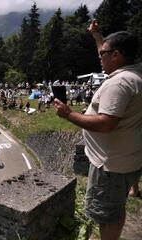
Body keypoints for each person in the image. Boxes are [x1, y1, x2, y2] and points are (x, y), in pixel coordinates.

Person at [53, 19, 142, 240]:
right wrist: (97, 36)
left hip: (110, 164)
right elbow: (106, 53)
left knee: (107, 215)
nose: (99, 57)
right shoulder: (135, 73)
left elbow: (106, 123)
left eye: (103, 54)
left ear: (117, 55)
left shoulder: (119, 84)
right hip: (127, 157)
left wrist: (69, 114)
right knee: (116, 208)